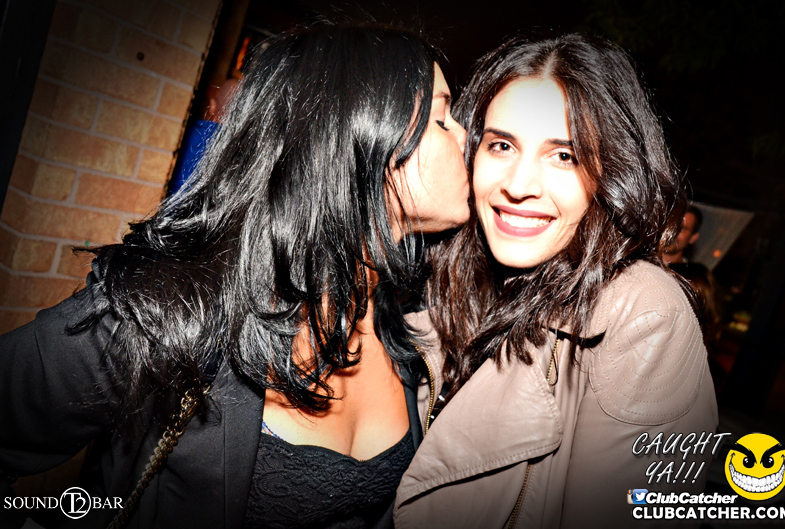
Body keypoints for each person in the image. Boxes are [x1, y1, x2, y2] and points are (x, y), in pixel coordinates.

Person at [0, 24, 469, 528]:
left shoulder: (407, 324)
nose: (466, 136)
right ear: (358, 136)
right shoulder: (173, 311)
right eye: (442, 119)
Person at [394, 34, 718, 528]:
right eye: (502, 145)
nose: (518, 185)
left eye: (564, 155)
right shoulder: (440, 281)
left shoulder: (644, 314)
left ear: (612, 171)